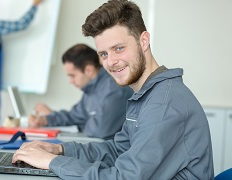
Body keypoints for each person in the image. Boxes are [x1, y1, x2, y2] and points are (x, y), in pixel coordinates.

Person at [12, 0, 214, 179]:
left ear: (143, 41)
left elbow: (123, 177)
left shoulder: (163, 104)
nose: (111, 62)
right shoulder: (147, 95)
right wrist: (58, 149)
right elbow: (118, 150)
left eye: (119, 48)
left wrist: (50, 162)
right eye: (104, 54)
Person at [28, 43, 133, 140]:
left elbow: (99, 131)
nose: (70, 81)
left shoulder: (114, 89)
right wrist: (46, 120)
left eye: (72, 75)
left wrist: (82, 123)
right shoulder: (91, 90)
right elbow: (74, 117)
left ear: (88, 70)